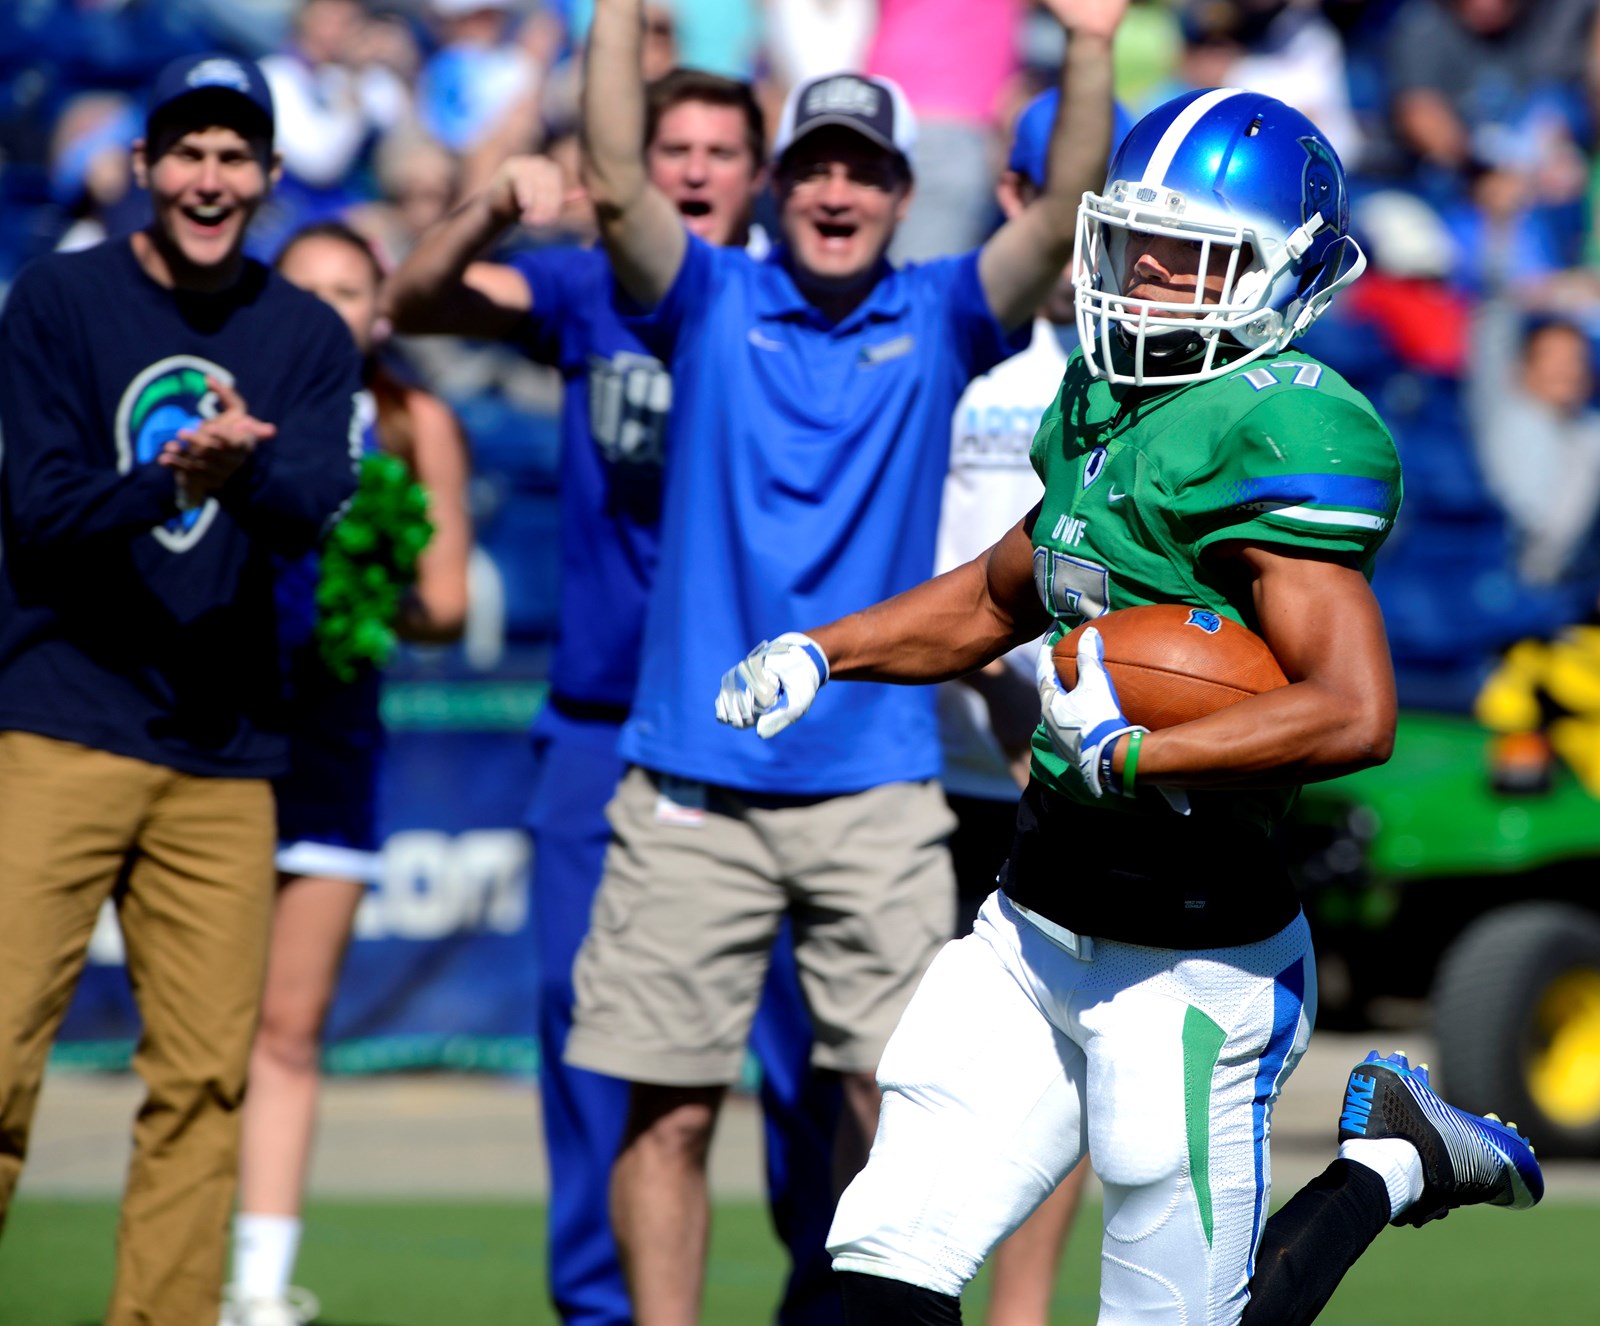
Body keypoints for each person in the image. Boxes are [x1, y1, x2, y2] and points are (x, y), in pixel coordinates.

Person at [716, 85, 1546, 1326]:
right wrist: (819, 652)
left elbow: (1352, 711)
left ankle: (1393, 1163)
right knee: (877, 1273)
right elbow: (1004, 589)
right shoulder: (1100, 398)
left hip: (1193, 959)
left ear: (1278, 279)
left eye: (1188, 257)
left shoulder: (1285, 427)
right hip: (1031, 926)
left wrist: (1140, 753)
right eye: (1134, 245)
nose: (1143, 277)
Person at [566, 1, 1123, 1321]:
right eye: (811, 164)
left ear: (896, 193)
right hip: (691, 784)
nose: (833, 188)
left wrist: (1090, 46)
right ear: (774, 187)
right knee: (668, 1114)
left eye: (860, 169)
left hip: (875, 785)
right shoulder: (709, 295)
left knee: (902, 1108)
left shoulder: (939, 312)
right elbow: (607, 176)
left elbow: (1064, 222)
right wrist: (610, 17)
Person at [385, 67, 843, 1326]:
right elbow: (412, 299)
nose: (695, 169)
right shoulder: (587, 286)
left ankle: (826, 1299)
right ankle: (602, 1311)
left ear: (763, 174)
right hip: (602, 730)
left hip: (777, 740)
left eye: (720, 149)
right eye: (671, 148)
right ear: (631, 171)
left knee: (811, 1058)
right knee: (587, 1040)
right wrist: (491, 205)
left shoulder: (807, 297)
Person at [0, 53, 360, 1326]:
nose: (211, 177)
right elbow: (41, 516)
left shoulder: (305, 332)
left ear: (269, 177)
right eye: (188, 151)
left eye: (236, 155)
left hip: (226, 752)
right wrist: (181, 478)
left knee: (204, 1086)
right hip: (56, 723)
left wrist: (241, 476)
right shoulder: (57, 299)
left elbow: (315, 500)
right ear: (143, 168)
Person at [221, 220, 472, 1326]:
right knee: (197, 1030)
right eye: (306, 289)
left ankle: (259, 1289)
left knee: (286, 1027)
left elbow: (449, 602)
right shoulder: (221, 409)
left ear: (384, 309)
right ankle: (174, 1270)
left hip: (331, 751)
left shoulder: (415, 421)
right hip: (209, 742)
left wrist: (365, 586)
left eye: (351, 291)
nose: (329, 310)